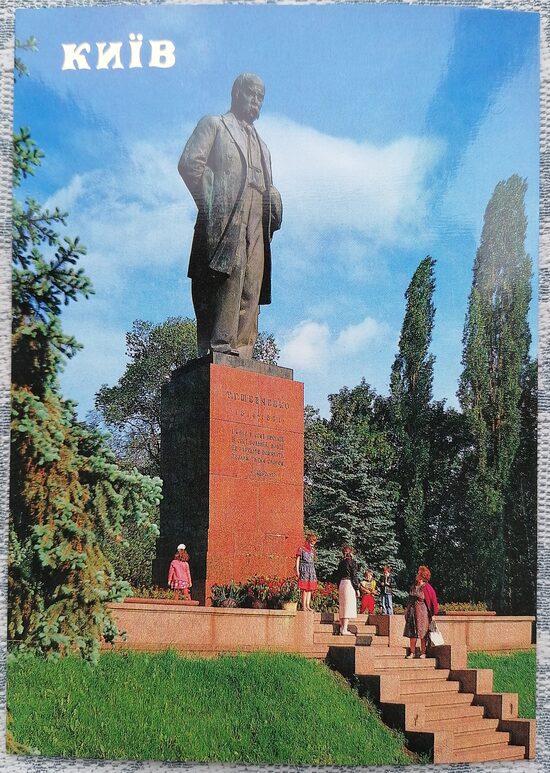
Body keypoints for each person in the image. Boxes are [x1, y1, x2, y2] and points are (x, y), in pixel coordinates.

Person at [178, 73, 283, 358]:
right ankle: (219, 345)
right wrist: (213, 205)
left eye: (261, 97)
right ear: (237, 94)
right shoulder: (214, 125)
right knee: (227, 277)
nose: (257, 101)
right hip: (225, 216)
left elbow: (268, 184)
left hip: (257, 218)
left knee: (251, 282)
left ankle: (244, 351)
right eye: (252, 94)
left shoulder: (264, 146)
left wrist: (273, 198)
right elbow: (190, 165)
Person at [403, 565, 439, 658]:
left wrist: (433, 614)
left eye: (419, 573)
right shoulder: (414, 586)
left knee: (423, 633)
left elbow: (433, 601)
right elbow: (410, 599)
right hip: (413, 611)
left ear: (423, 575)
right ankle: (412, 652)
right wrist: (407, 610)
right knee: (412, 633)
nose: (417, 574)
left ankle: (423, 653)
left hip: (423, 612)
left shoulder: (427, 587)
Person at [335, 545, 360, 635]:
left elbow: (337, 576)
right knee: (347, 606)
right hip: (349, 584)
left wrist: (338, 586)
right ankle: (345, 629)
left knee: (342, 605)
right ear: (351, 552)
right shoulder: (352, 562)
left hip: (342, 584)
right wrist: (357, 588)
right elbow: (354, 576)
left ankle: (342, 627)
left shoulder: (341, 563)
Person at [295, 532, 318, 611]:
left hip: (311, 570)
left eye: (314, 543)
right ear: (308, 541)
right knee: (304, 588)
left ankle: (308, 605)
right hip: (304, 569)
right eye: (311, 543)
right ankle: (303, 605)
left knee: (310, 589)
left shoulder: (313, 550)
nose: (312, 545)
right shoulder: (301, 549)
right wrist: (297, 570)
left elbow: (313, 560)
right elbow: (297, 560)